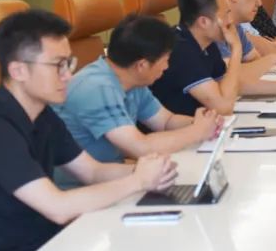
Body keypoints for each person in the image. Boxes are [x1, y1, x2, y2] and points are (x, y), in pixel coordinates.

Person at [0, 10, 177, 250]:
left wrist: (152, 171)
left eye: (68, 63)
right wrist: (138, 180)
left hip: (53, 238)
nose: (68, 76)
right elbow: (57, 207)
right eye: (58, 65)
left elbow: (92, 171)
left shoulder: (44, 115)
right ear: (19, 71)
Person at [52, 15, 222, 187]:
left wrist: (204, 122)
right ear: (142, 65)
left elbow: (166, 121)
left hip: (114, 177)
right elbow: (140, 148)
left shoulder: (132, 79)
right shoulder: (97, 88)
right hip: (81, 189)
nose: (166, 67)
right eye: (165, 60)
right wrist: (197, 132)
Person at [150, 0, 244, 116]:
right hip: (173, 128)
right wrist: (236, 49)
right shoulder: (180, 50)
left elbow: (225, 88)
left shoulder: (206, 44)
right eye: (226, 14)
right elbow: (224, 107)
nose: (231, 21)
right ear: (203, 22)